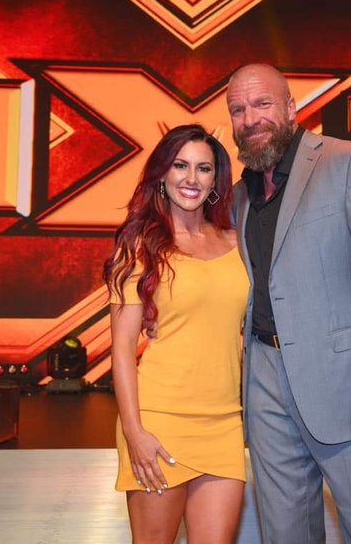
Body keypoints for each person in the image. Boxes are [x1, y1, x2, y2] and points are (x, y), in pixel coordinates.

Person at [225, 63, 351, 544]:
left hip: (345, 383)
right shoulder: (238, 196)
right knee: (284, 534)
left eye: (262, 104)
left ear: (292, 107)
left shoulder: (350, 162)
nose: (250, 118)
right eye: (238, 109)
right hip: (264, 383)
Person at [103, 124, 249, 544]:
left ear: (216, 180)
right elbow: (122, 350)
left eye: (203, 168)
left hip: (225, 422)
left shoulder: (238, 244)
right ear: (162, 174)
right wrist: (134, 432)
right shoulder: (140, 246)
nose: (191, 178)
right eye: (180, 165)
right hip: (159, 421)